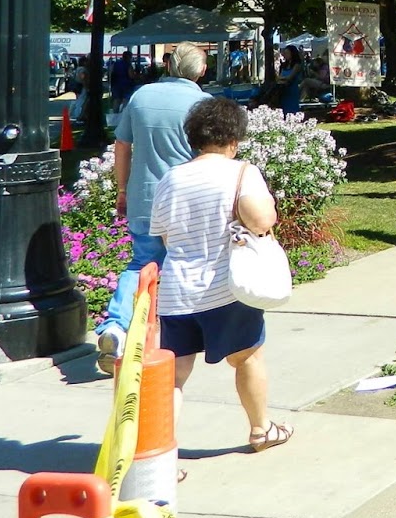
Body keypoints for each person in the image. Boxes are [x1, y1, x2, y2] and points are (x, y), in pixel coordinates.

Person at [151, 97, 290, 454]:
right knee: (247, 357)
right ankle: (261, 429)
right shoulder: (241, 172)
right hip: (225, 289)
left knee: (173, 378)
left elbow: (165, 237)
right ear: (233, 139)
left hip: (177, 292)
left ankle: (159, 455)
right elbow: (262, 221)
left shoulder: (169, 179)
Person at [94, 44, 209, 375]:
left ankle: (116, 326)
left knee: (141, 263)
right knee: (186, 264)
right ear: (201, 71)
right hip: (185, 199)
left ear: (169, 65)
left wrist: (122, 189)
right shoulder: (202, 104)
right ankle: (181, 336)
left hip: (143, 195)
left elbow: (122, 145)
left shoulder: (141, 96)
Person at [276, 46, 304, 115]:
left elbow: (290, 77)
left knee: (292, 109)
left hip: (292, 89)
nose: (285, 55)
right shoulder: (284, 65)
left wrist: (281, 78)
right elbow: (279, 77)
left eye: (287, 53)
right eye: (285, 53)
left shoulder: (297, 65)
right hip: (283, 90)